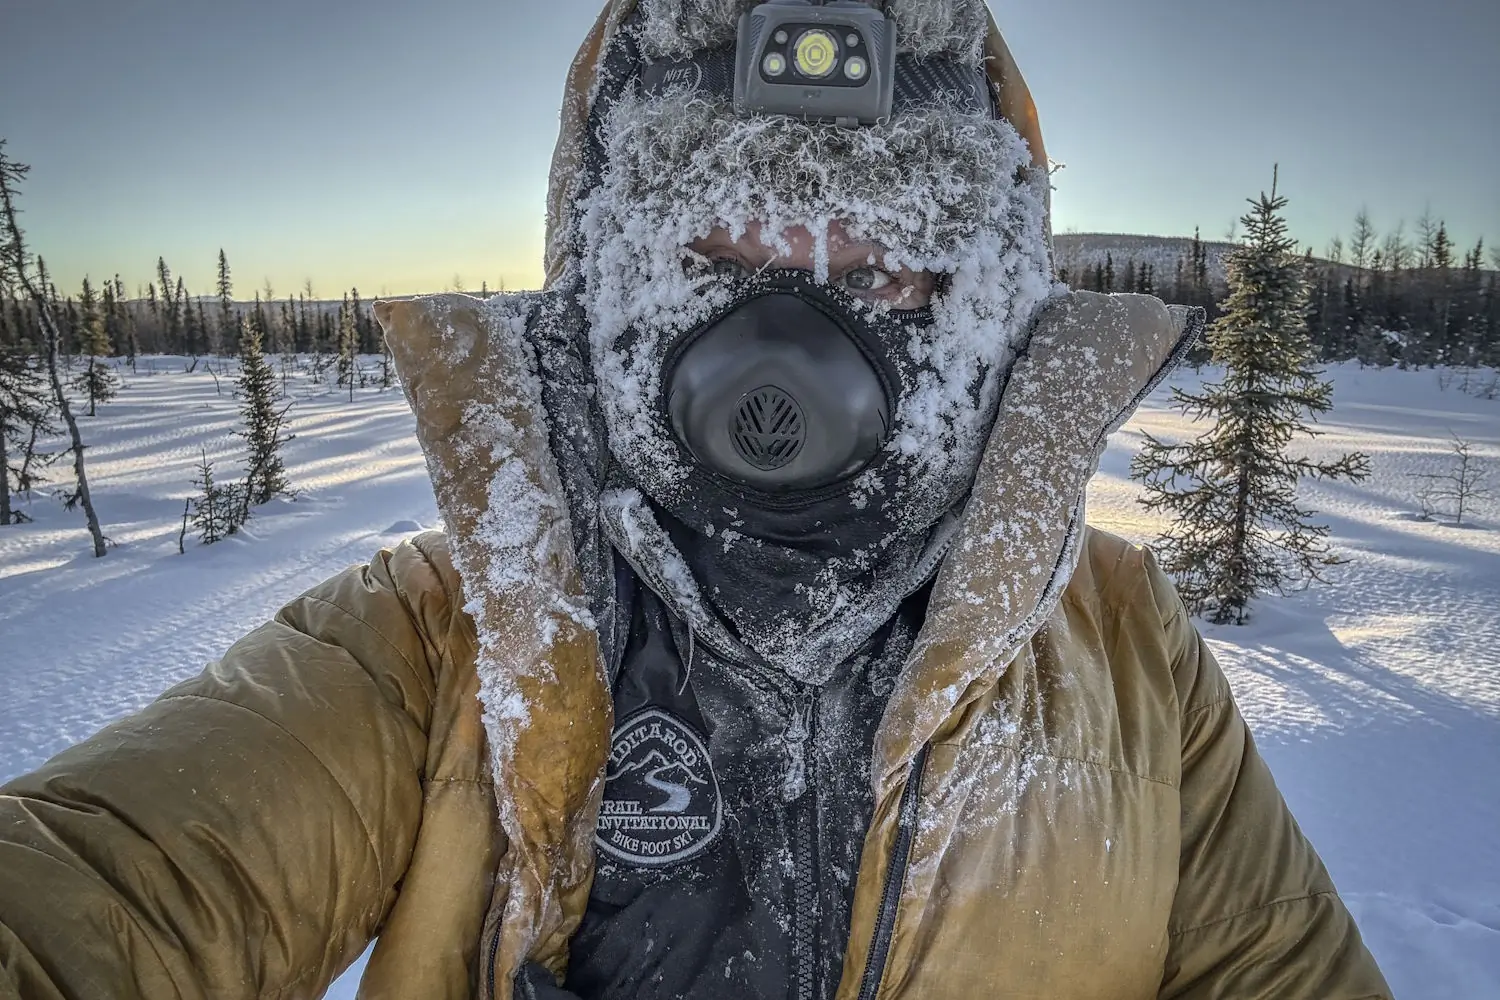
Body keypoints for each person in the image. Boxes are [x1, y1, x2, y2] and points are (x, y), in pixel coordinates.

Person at [0, 2, 1392, 999]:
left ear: (978, 307)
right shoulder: (445, 636)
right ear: (613, 284)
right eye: (722, 249)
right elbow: (125, 883)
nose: (794, 322)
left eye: (885, 260)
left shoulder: (1119, 645)